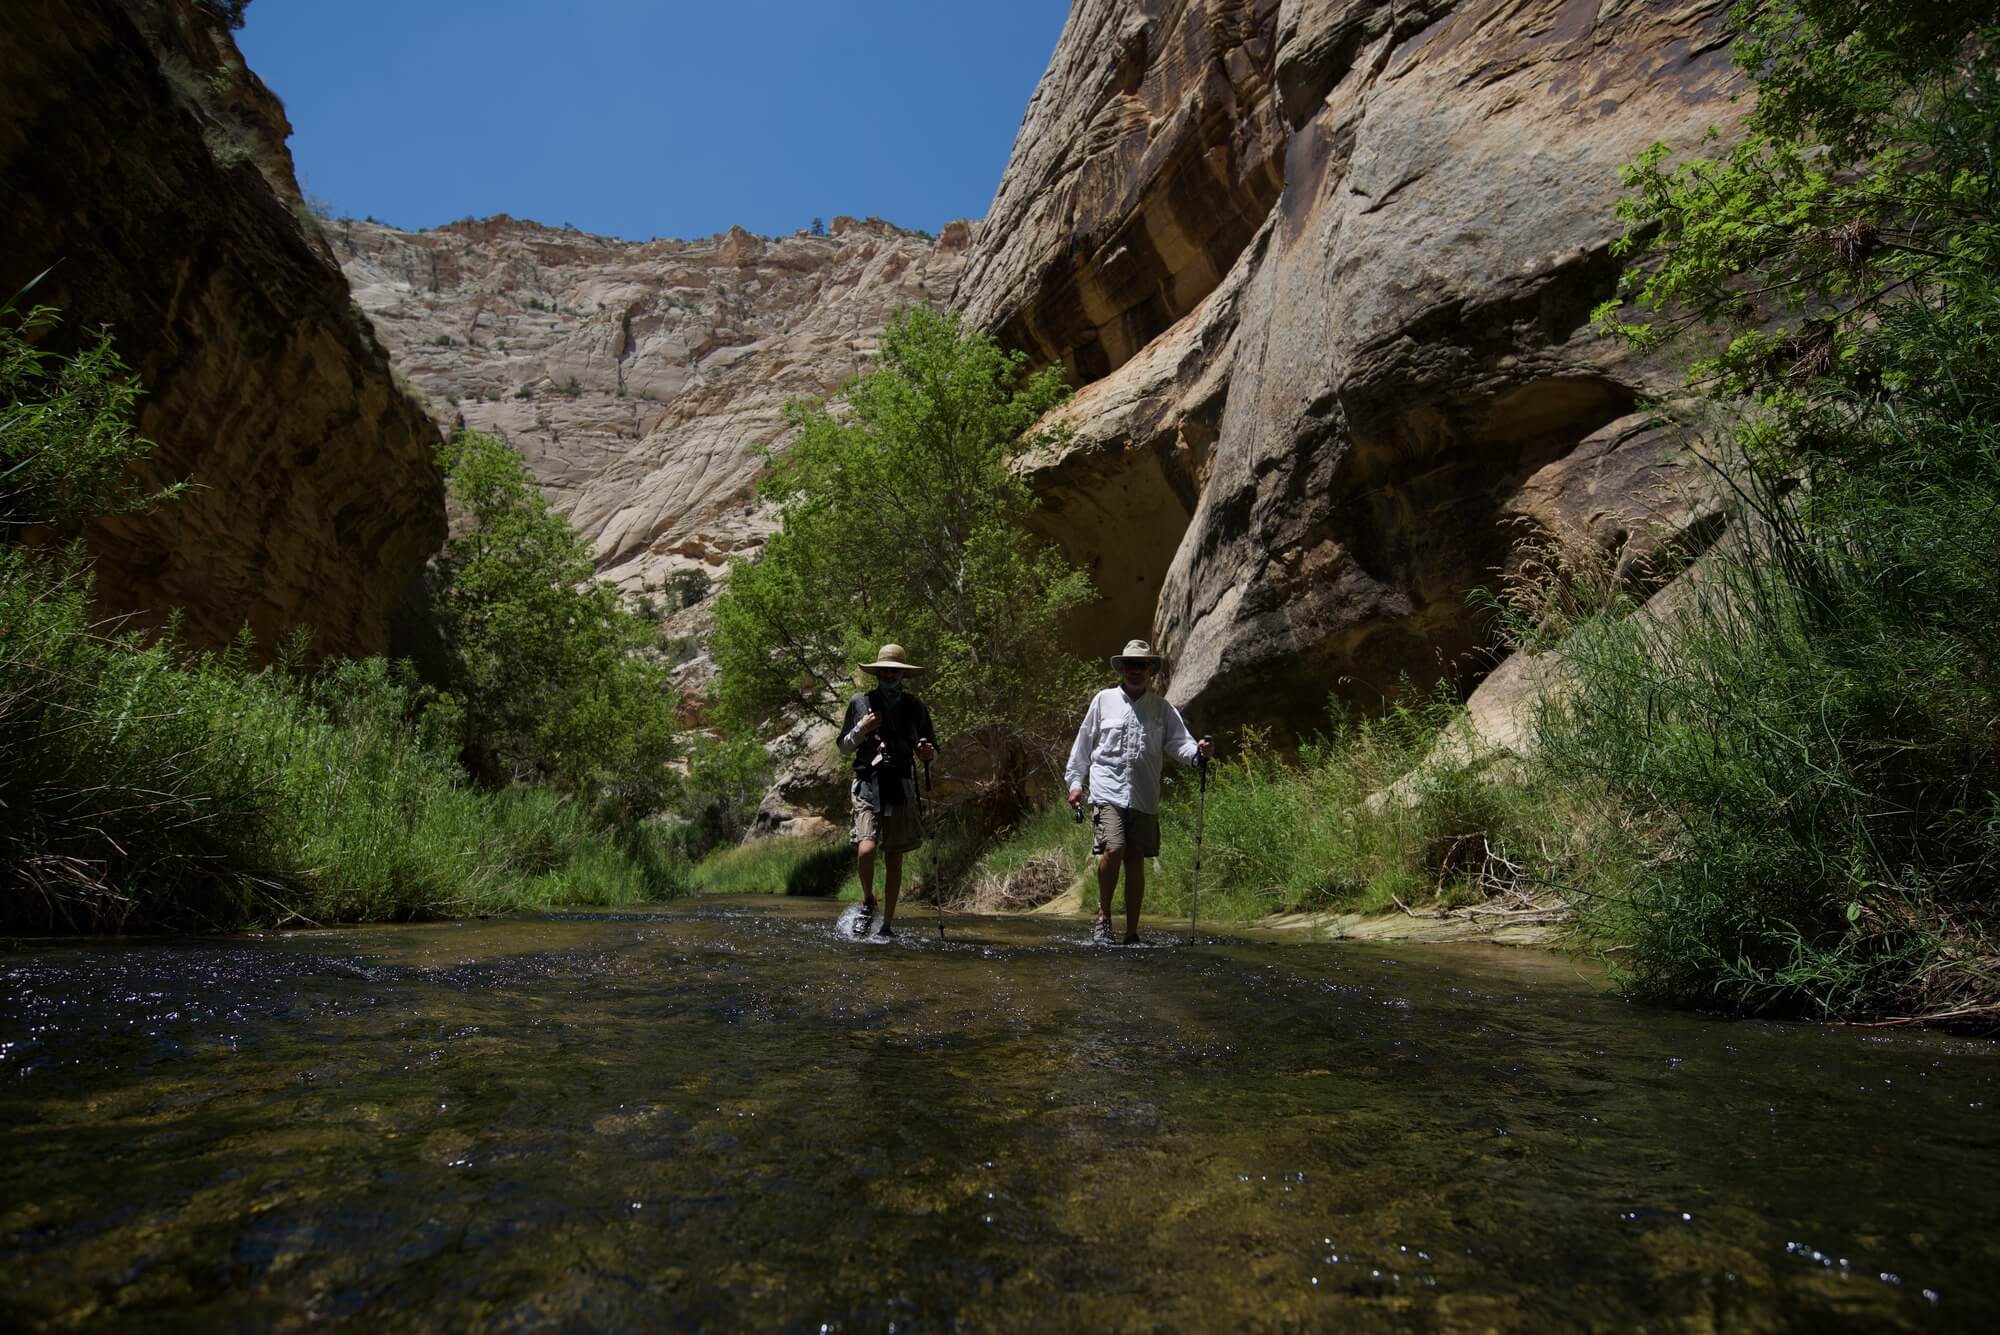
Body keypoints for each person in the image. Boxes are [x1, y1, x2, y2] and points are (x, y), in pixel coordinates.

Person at [1065, 639, 1213, 945]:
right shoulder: (1103, 700)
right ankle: (1103, 919)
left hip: (1144, 796)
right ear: (1122, 669)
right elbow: (1084, 744)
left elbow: (1178, 743)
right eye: (1130, 666)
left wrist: (1198, 753)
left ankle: (1132, 933)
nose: (1135, 671)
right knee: (1114, 849)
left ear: (1150, 671)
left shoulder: (1162, 708)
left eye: (1141, 666)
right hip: (1108, 790)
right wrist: (1076, 782)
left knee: (1135, 858)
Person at [836, 644, 938, 937]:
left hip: (901, 785)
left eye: (895, 671)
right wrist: (861, 729)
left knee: (894, 857)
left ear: (902, 675)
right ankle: (868, 900)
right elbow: (844, 747)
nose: (889, 675)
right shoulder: (859, 702)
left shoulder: (915, 707)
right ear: (878, 673)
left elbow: (932, 751)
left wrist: (926, 752)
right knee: (866, 849)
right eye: (885, 670)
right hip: (868, 783)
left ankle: (888, 926)